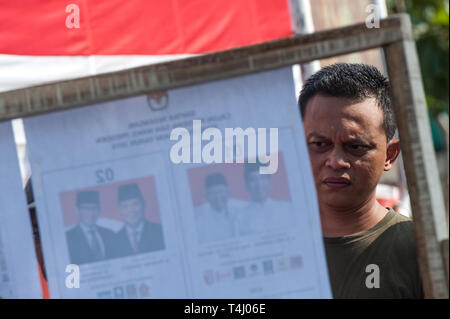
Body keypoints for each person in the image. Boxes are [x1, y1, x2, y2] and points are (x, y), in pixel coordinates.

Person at [299, 63, 423, 298]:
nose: (335, 161)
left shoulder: (420, 250)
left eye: (355, 147)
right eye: (319, 144)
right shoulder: (268, 246)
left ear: (390, 154)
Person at [234, 161, 295, 236]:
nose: (259, 185)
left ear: (269, 181)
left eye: (262, 178)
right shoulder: (240, 217)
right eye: (253, 179)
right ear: (247, 185)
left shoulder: (287, 209)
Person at [113, 183, 165, 258]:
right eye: (125, 206)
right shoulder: (114, 241)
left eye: (135, 204)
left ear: (143, 205)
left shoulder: (159, 231)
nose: (131, 210)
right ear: (120, 211)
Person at [66, 190, 115, 265]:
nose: (91, 214)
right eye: (86, 209)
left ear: (99, 210)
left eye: (94, 208)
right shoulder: (68, 238)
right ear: (77, 210)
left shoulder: (110, 234)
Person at [194, 173, 246, 244]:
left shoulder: (242, 209)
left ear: (228, 193)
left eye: (221, 191)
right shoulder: (197, 218)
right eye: (213, 193)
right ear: (206, 196)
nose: (218, 197)